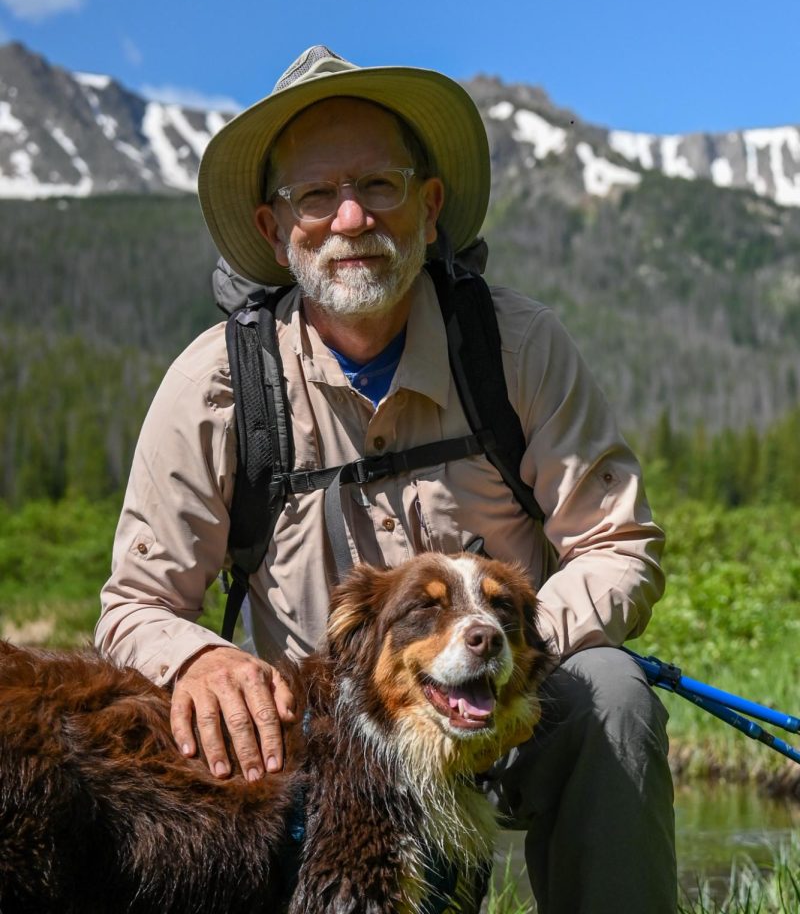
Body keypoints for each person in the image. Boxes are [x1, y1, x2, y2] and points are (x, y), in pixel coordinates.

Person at [96, 45, 676, 914]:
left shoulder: (516, 347)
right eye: (316, 196)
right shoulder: (213, 385)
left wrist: (506, 649)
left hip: (512, 702)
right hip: (327, 739)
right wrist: (198, 659)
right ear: (272, 226)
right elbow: (134, 606)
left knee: (618, 696)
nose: (351, 218)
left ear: (431, 207)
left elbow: (615, 544)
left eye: (380, 186)